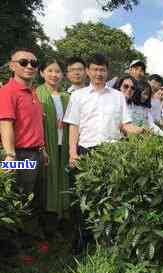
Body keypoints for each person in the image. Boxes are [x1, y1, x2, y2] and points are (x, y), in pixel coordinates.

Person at [63, 53, 143, 166]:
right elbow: (74, 126)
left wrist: (143, 131)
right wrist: (72, 153)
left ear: (107, 72)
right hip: (86, 150)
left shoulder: (118, 96)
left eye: (102, 70)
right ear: (88, 71)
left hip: (114, 151)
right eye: (95, 69)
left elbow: (126, 124)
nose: (99, 73)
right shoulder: (77, 96)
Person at [0, 48, 46, 196]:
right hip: (20, 155)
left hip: (36, 154)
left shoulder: (33, 91)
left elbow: (34, 125)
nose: (29, 66)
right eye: (23, 62)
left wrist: (42, 149)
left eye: (33, 63)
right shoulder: (7, 91)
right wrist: (10, 156)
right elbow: (5, 124)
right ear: (12, 66)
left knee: (35, 199)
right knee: (21, 201)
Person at [36, 59, 71, 221]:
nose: (54, 74)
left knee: (63, 177)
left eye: (57, 71)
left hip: (62, 144)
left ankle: (62, 214)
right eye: (50, 71)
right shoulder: (36, 94)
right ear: (42, 73)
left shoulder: (66, 97)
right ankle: (48, 217)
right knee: (46, 181)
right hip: (44, 145)